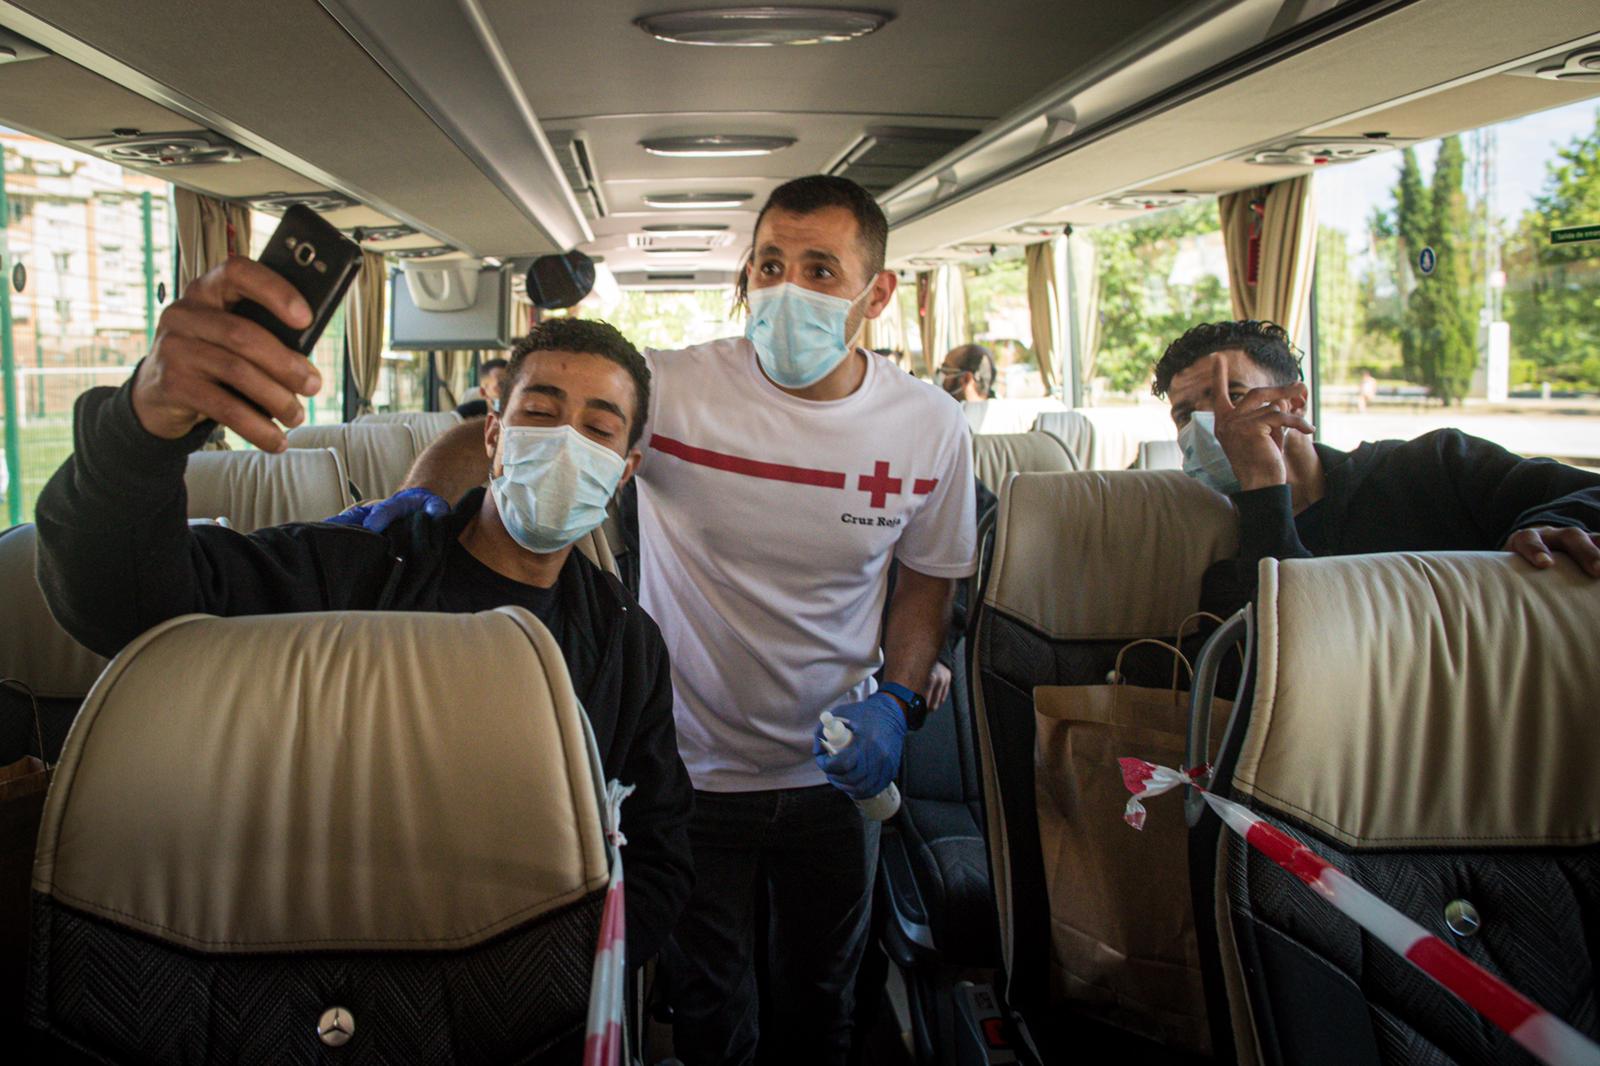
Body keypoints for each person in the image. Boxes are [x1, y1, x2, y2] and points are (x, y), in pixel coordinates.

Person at [371, 175, 977, 1065]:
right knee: (707, 1000)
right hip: (687, 768)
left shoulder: (928, 428)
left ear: (875, 293)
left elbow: (927, 582)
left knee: (823, 992)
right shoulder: (678, 389)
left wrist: (895, 698)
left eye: (819, 269)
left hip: (836, 771)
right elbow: (516, 427)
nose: (785, 289)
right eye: (770, 263)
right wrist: (411, 511)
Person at [33, 266, 693, 972]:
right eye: (540, 413)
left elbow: (659, 843)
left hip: (532, 976)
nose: (566, 443)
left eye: (597, 430)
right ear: (494, 438)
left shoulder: (626, 639)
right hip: (329, 954)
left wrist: (582, 971)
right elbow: (123, 605)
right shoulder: (355, 571)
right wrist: (140, 431)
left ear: (623, 473)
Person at [1153, 319, 1600, 613]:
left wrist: (1549, 523)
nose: (1216, 424)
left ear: (1294, 402)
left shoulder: (1433, 467)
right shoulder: (1216, 546)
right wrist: (1266, 491)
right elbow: (1291, 649)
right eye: (1185, 415)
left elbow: (1582, 492)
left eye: (1233, 394)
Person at [938, 343, 996, 435]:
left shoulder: (951, 423)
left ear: (967, 379)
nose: (942, 376)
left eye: (946, 370)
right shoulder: (1005, 417)